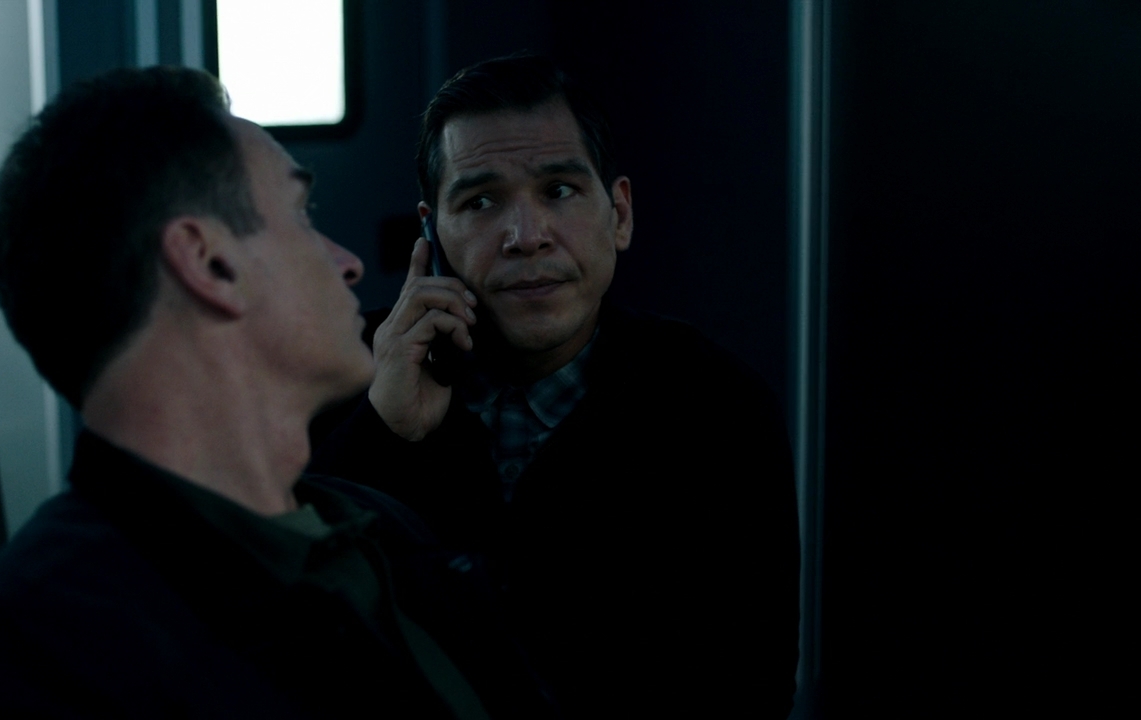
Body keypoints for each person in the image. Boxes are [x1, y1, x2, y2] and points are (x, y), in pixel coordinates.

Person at [0, 67, 554, 719]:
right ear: (210, 263)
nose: (349, 262)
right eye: (301, 216)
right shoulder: (24, 661)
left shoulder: (372, 527)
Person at [310, 54, 800, 717]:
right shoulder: (343, 373)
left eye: (560, 191)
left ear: (619, 214)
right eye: (481, 202)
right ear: (433, 232)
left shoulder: (716, 406)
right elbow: (280, 631)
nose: (526, 237)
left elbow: (750, 686)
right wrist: (384, 429)